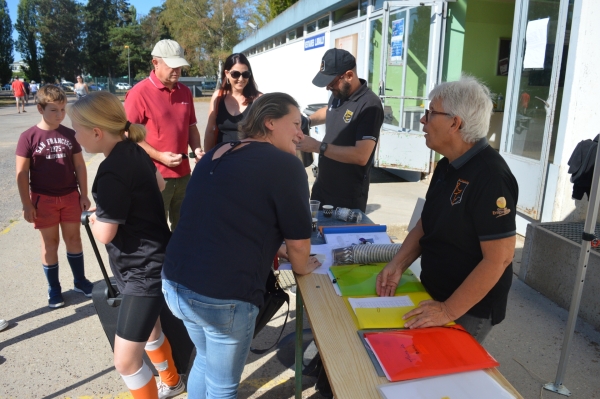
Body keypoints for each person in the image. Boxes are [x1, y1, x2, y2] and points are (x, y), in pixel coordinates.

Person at [162, 92, 321, 398]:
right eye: (297, 125)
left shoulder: (216, 153)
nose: (302, 134)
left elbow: (223, 217)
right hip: (223, 296)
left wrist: (274, 247)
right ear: (270, 122)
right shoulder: (287, 165)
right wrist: (301, 265)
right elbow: (300, 245)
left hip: (176, 283)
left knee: (204, 361)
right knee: (222, 386)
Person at [376, 76, 519, 343]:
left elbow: (499, 258)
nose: (423, 120)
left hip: (467, 308)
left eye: (430, 113)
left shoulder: (491, 177)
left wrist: (447, 310)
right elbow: (426, 223)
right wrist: (397, 264)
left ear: (455, 123)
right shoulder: (446, 165)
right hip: (434, 291)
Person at [68, 91, 185, 399]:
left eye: (77, 129)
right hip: (154, 259)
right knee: (151, 332)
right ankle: (172, 382)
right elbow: (158, 185)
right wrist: (110, 209)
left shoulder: (110, 172)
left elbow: (105, 234)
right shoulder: (134, 150)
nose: (75, 136)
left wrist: (96, 218)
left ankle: (169, 383)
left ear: (96, 132)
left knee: (124, 361)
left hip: (140, 271)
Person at [15, 85, 94, 308]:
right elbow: (21, 174)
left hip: (70, 197)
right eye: (53, 110)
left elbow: (79, 166)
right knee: (50, 244)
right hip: (43, 201)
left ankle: (80, 281)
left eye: (62, 109)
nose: (60, 115)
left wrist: (83, 194)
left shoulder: (70, 135)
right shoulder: (28, 137)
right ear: (40, 109)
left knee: (74, 240)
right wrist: (26, 204)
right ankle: (54, 288)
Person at [125, 39, 203, 231]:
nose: (176, 71)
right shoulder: (139, 93)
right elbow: (128, 133)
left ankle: (179, 261)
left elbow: (191, 127)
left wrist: (197, 149)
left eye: (180, 66)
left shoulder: (184, 92)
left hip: (184, 174)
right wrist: (160, 156)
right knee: (154, 229)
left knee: (184, 226)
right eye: (171, 66)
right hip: (154, 175)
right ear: (155, 63)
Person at [297, 48, 384, 213]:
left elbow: (361, 156)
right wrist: (308, 121)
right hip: (322, 188)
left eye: (331, 82)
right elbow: (329, 110)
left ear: (349, 75)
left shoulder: (369, 105)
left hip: (345, 198)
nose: (328, 88)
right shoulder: (339, 94)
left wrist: (318, 146)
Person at [203, 53, 261, 151]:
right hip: (221, 160)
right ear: (227, 73)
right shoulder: (218, 97)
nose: (241, 79)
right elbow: (210, 131)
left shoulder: (258, 99)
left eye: (245, 74)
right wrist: (207, 160)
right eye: (236, 74)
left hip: (249, 161)